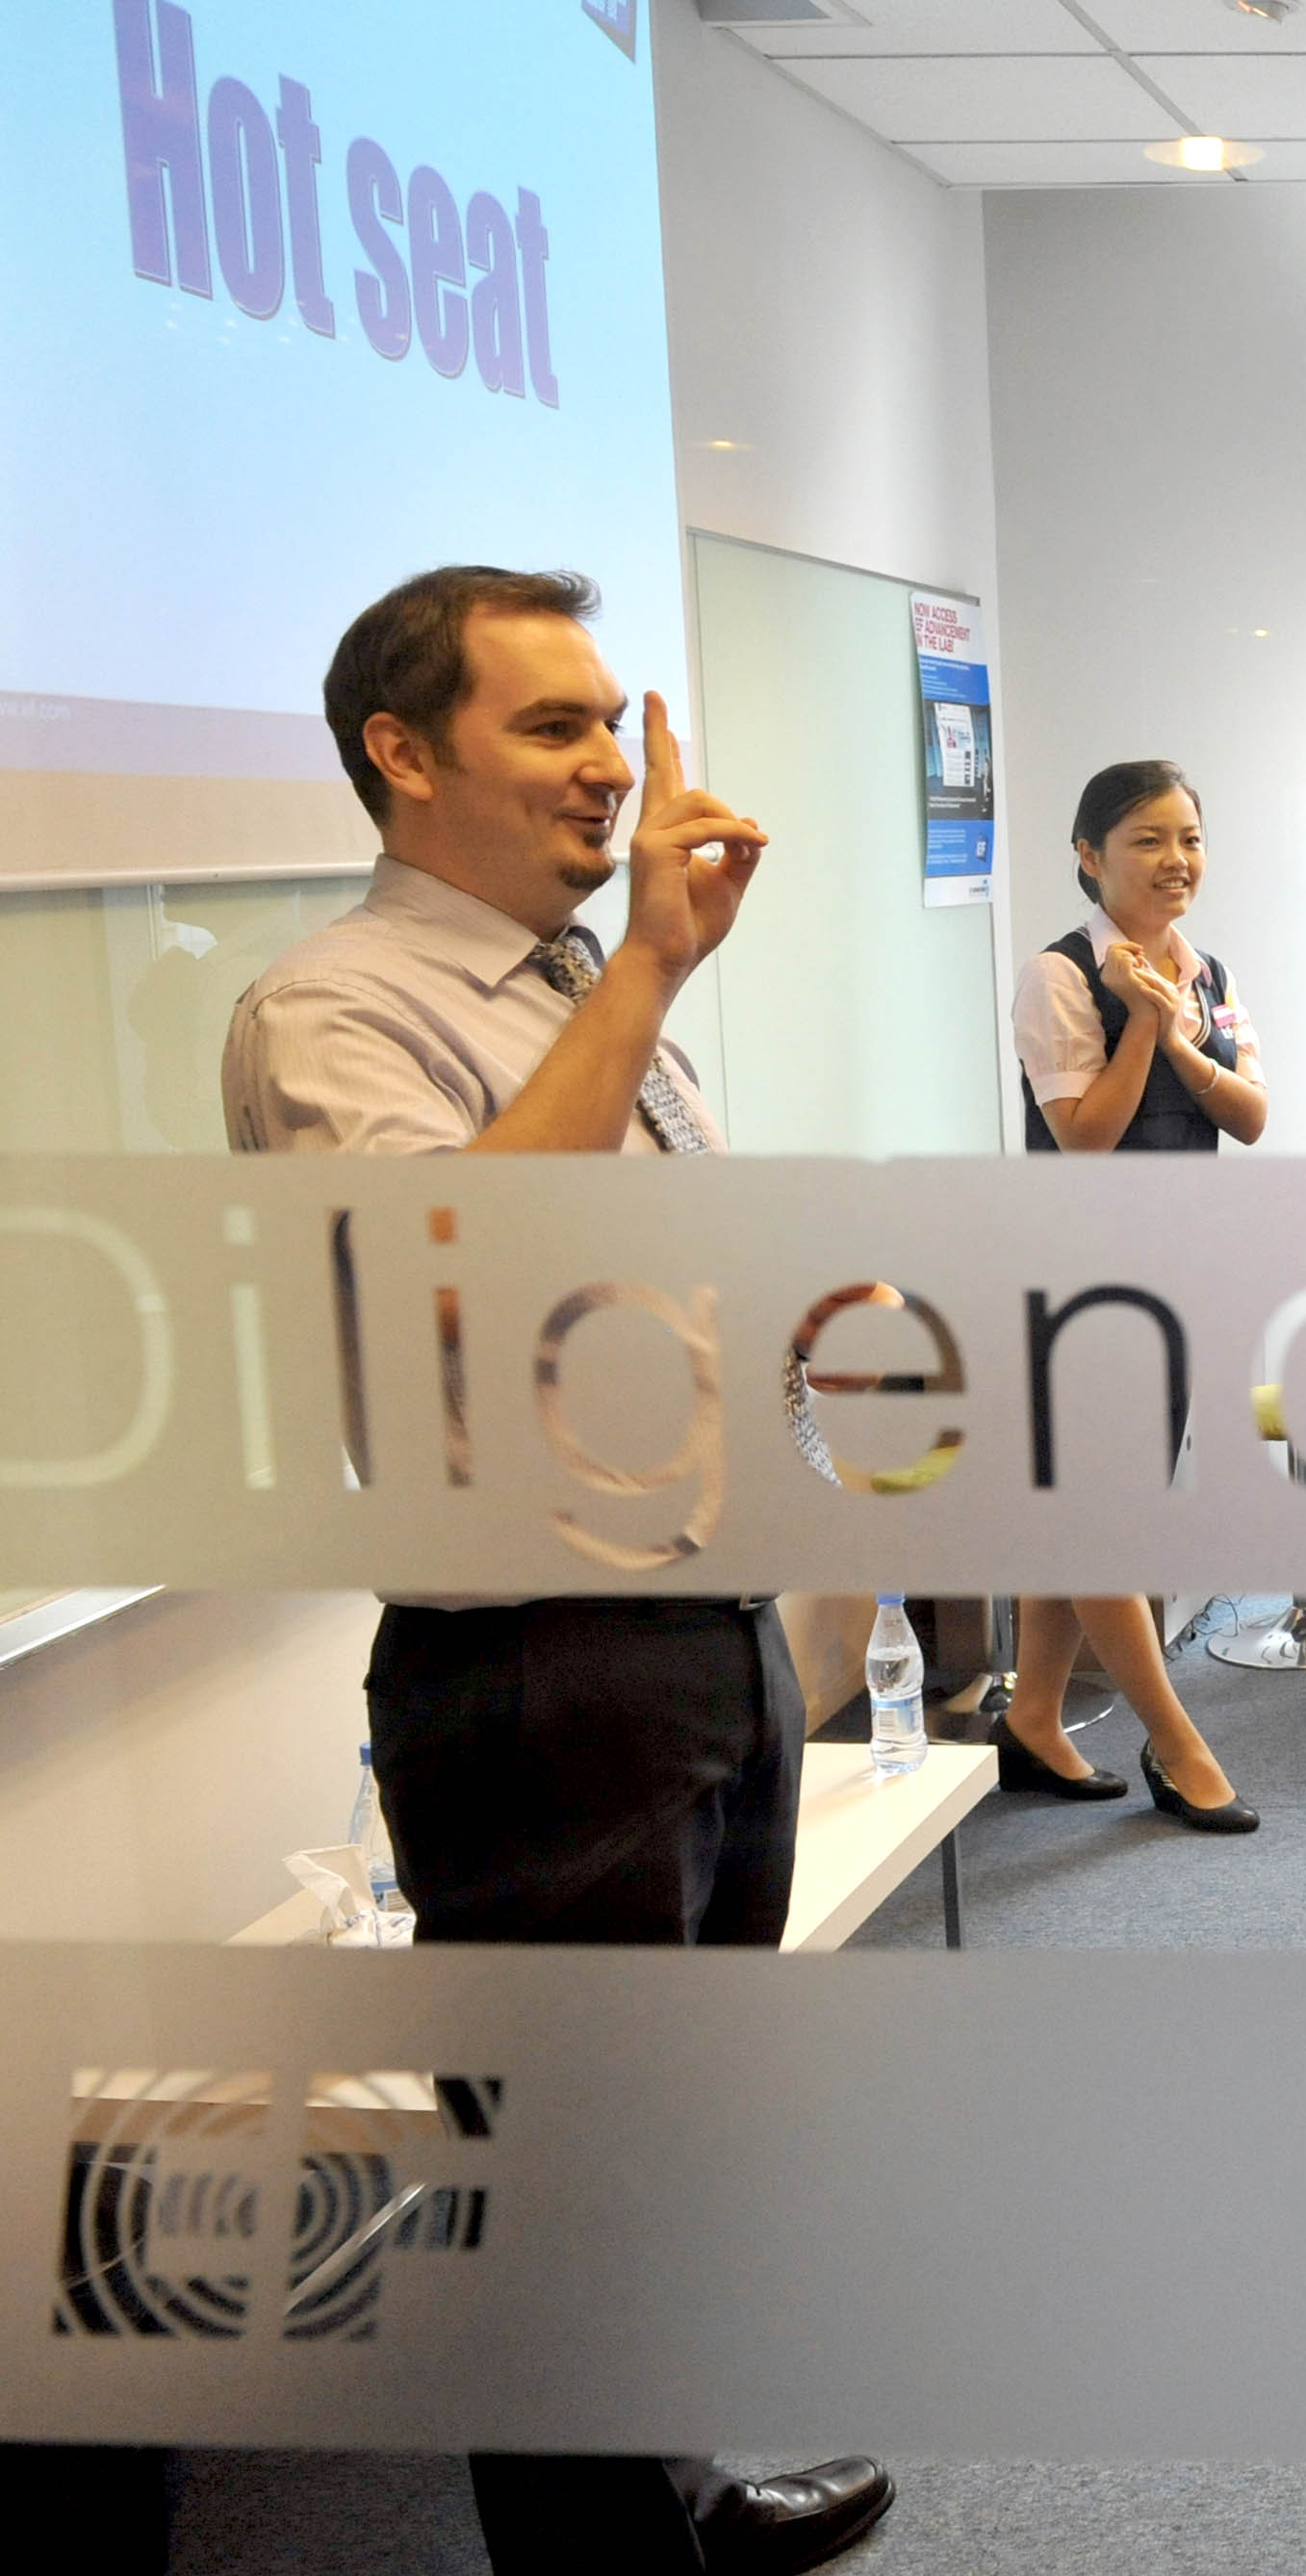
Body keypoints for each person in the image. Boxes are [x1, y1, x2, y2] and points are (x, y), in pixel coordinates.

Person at [219, 569, 887, 2571]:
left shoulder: (582, 988)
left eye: (611, 720)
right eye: (551, 725)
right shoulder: (338, 1007)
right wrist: (649, 975)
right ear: (401, 755)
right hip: (543, 1679)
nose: (609, 764)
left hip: (700, 1638)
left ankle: (676, 2496)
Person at [996, 759, 1263, 1834]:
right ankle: (1176, 1743)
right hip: (1081, 1279)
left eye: (1188, 838)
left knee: (1094, 1508)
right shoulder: (1057, 976)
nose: (1175, 860)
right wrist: (1144, 1023)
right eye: (1147, 840)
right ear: (1088, 856)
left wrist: (1180, 1034)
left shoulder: (1207, 969)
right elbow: (1085, 1138)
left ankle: (1033, 1719)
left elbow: (1250, 1115)